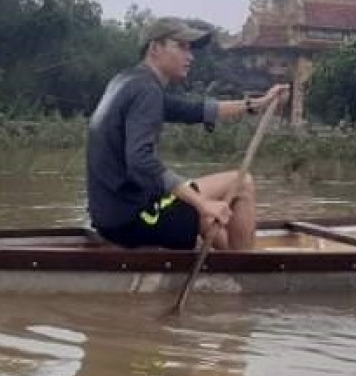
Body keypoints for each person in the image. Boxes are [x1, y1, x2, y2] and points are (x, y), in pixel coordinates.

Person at [85, 17, 289, 252]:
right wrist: (202, 204)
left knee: (204, 211)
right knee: (241, 183)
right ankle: (245, 270)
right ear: (155, 48)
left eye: (190, 49)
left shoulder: (126, 81)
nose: (189, 56)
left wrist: (258, 103)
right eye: (181, 47)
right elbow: (140, 160)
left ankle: (236, 258)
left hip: (110, 218)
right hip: (134, 220)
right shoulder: (147, 91)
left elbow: (196, 110)